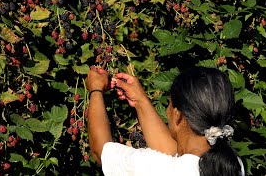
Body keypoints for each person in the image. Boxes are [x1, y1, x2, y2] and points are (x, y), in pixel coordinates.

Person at [85, 66, 245, 176]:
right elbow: (171, 153)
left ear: (178, 114)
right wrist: (140, 101)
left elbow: (101, 151)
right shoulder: (231, 165)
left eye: (169, 104)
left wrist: (96, 89)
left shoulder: (154, 168)